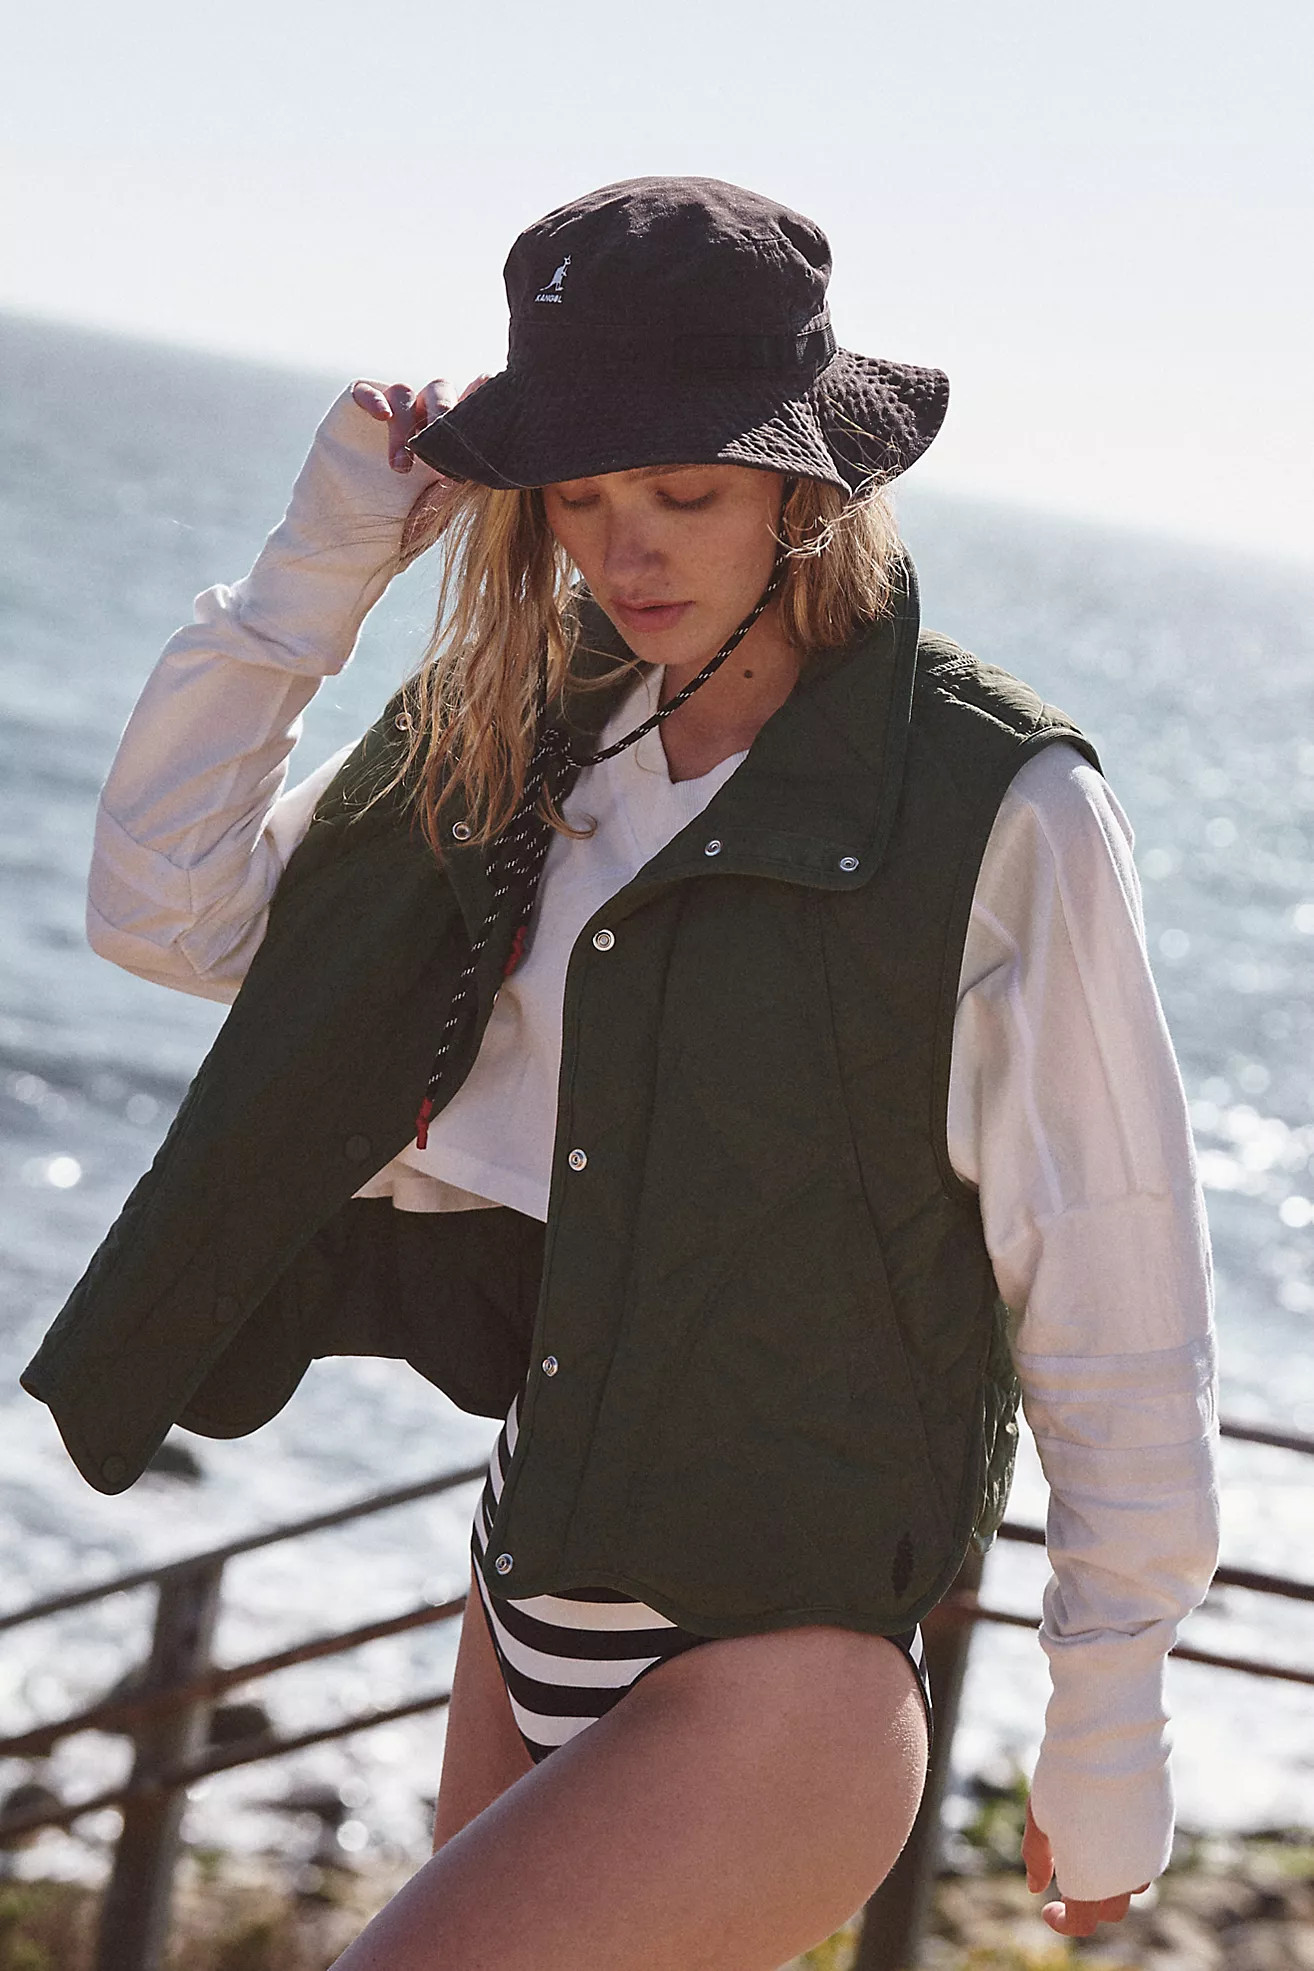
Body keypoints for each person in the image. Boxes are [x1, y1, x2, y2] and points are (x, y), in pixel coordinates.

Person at [23, 178, 1218, 1969]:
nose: (625, 551)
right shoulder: (526, 727)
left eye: (684, 492)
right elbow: (164, 911)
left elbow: (1113, 1272)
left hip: (780, 1680)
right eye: (577, 496)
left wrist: (1106, 1720)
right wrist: (320, 565)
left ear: (806, 485)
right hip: (524, 1588)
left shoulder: (1000, 805)